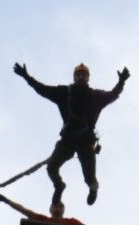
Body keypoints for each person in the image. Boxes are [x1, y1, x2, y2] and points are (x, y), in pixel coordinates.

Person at [13, 61, 130, 206]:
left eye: (84, 75)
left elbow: (113, 95)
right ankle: (59, 185)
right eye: (78, 75)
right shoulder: (64, 93)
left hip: (86, 142)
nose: (81, 77)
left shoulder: (95, 96)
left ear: (88, 78)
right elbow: (42, 89)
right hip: (67, 140)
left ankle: (93, 188)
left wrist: (121, 82)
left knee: (89, 178)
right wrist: (26, 76)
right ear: (74, 77)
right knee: (51, 168)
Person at [0, 193, 87, 225]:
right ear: (50, 209)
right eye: (55, 205)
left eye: (60, 206)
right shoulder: (43, 220)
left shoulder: (71, 222)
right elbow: (24, 210)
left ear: (64, 209)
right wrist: (6, 200)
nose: (58, 208)